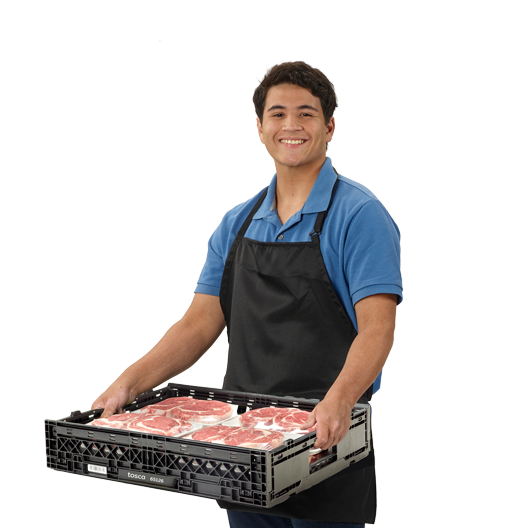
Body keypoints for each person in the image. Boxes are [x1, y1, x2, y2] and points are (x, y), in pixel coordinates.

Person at [91, 61, 402, 527]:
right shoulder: (237, 223)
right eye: (277, 114)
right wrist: (129, 383)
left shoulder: (359, 216)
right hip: (244, 450)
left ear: (329, 127)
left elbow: (377, 329)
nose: (291, 126)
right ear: (260, 128)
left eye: (306, 113)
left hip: (324, 441)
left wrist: (339, 402)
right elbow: (198, 323)